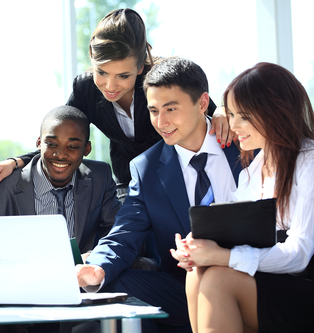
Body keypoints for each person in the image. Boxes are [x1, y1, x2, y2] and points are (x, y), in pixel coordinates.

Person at [0, 8, 232, 202]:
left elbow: (202, 108)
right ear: (91, 58)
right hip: (128, 184)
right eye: (102, 72)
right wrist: (15, 162)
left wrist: (221, 111)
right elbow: (62, 137)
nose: (110, 86)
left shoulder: (161, 81)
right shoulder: (86, 88)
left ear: (140, 67)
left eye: (123, 76)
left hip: (178, 178)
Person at [76, 57, 242, 333]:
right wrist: (97, 267)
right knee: (114, 282)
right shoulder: (147, 168)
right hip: (187, 286)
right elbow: (124, 233)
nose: (161, 122)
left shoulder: (242, 142)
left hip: (255, 275)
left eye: (171, 109)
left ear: (202, 103)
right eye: (153, 110)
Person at [173, 62, 314, 333]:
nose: (234, 125)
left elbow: (299, 256)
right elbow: (233, 235)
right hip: (270, 281)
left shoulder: (308, 162)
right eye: (232, 114)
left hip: (303, 283)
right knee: (197, 273)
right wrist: (198, 248)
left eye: (244, 116)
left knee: (217, 279)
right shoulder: (249, 174)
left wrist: (223, 257)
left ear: (276, 112)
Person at [0, 105, 120, 255]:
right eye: (51, 144)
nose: (60, 154)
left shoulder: (99, 177)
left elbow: (117, 235)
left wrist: (92, 258)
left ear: (87, 149)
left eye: (72, 146)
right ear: (39, 143)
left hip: (81, 275)